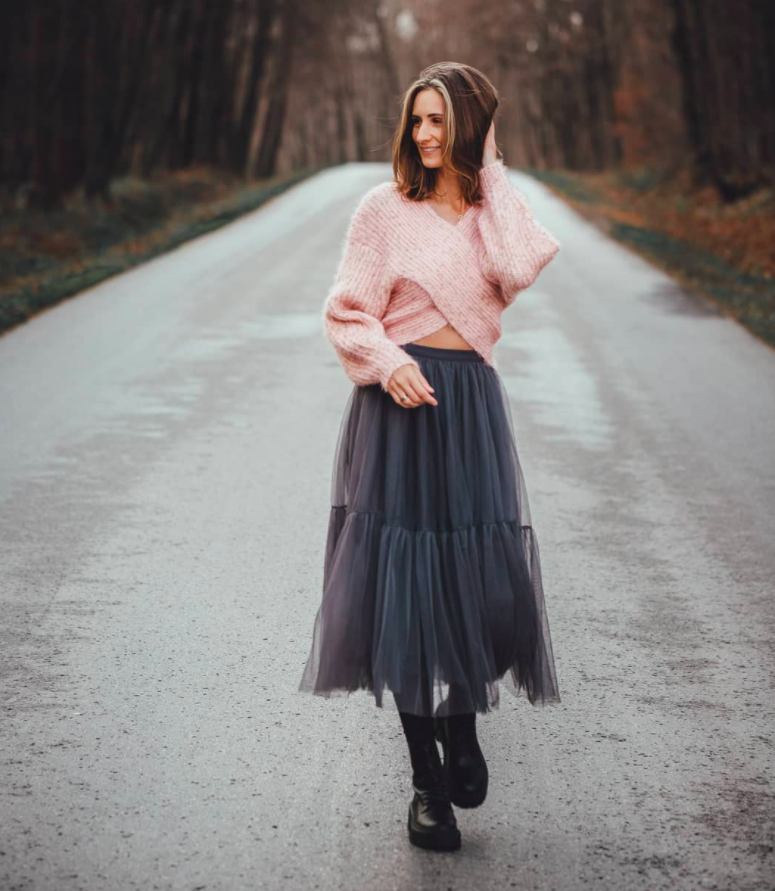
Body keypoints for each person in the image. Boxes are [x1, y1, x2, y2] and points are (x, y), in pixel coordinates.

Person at [298, 61, 561, 852]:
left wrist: (491, 171)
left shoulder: (490, 212)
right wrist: (389, 362)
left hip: (470, 405)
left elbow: (519, 266)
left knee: (474, 575)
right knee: (406, 587)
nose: (424, 134)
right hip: (400, 407)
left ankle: (463, 724)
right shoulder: (382, 210)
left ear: (470, 127)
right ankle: (424, 789)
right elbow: (345, 312)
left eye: (440, 120)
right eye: (416, 121)